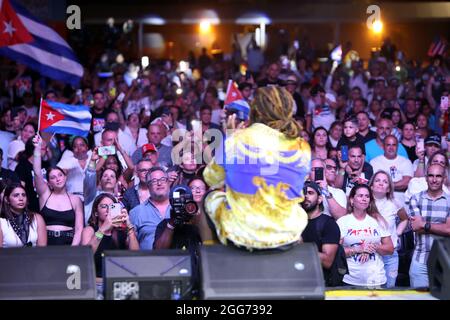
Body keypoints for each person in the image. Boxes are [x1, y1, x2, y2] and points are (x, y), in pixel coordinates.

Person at [203, 86, 311, 249]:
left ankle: (211, 255)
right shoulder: (302, 146)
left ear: (255, 110)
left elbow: (211, 178)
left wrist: (229, 138)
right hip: (287, 233)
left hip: (242, 235)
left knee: (208, 198)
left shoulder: (238, 139)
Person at [337, 184, 394, 287]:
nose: (364, 199)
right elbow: (336, 251)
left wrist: (373, 246)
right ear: (351, 200)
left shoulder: (378, 220)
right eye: (360, 196)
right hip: (350, 280)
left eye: (367, 196)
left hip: (377, 280)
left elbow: (390, 249)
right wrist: (359, 249)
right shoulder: (343, 222)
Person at [32, 135, 84, 246]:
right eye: (53, 177)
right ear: (49, 183)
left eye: (60, 175)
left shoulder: (75, 200)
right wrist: (37, 148)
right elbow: (37, 173)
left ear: (65, 177)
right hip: (46, 242)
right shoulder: (45, 195)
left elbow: (79, 229)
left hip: (68, 243)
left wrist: (72, 250)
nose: (58, 178)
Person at [408, 164, 450, 288]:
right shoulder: (415, 198)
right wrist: (442, 227)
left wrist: (424, 224)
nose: (434, 179)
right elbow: (416, 227)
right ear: (426, 177)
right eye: (431, 175)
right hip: (420, 261)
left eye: (438, 176)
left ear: (444, 178)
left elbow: (449, 230)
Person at [81, 193, 139, 279]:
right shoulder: (90, 230)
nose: (108, 210)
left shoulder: (121, 232)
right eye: (104, 206)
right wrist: (103, 229)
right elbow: (85, 256)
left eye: (112, 206)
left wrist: (129, 225)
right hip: (96, 282)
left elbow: (136, 256)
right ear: (96, 212)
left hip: (119, 280)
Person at [369, 170, 409, 288]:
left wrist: (397, 233)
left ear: (388, 188)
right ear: (371, 186)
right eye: (377, 180)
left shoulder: (395, 203)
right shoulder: (365, 202)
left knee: (389, 290)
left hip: (390, 256)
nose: (381, 183)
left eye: (385, 181)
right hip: (371, 254)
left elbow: (405, 219)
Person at [300, 181, 341, 286]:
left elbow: (327, 261)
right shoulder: (295, 223)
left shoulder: (328, 224)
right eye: (303, 193)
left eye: (310, 193)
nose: (306, 196)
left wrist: (299, 247)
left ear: (319, 199)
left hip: (320, 285)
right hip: (297, 281)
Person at [130, 167, 171, 250]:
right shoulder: (136, 212)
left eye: (163, 179)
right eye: (154, 181)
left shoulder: (179, 208)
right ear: (148, 186)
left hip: (179, 260)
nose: (159, 183)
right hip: (148, 261)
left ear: (168, 183)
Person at [370, 135, 413, 206]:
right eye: (388, 145)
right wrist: (397, 185)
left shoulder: (406, 162)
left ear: (397, 147)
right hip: (379, 203)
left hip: (401, 203)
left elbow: (406, 183)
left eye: (394, 145)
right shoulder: (374, 162)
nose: (391, 148)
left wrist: (385, 186)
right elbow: (372, 184)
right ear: (383, 147)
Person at [0, 183, 47, 247]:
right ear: (7, 199)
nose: (21, 198)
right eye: (16, 195)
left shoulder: (37, 218)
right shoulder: (2, 222)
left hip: (34, 256)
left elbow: (42, 250)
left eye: (23, 195)